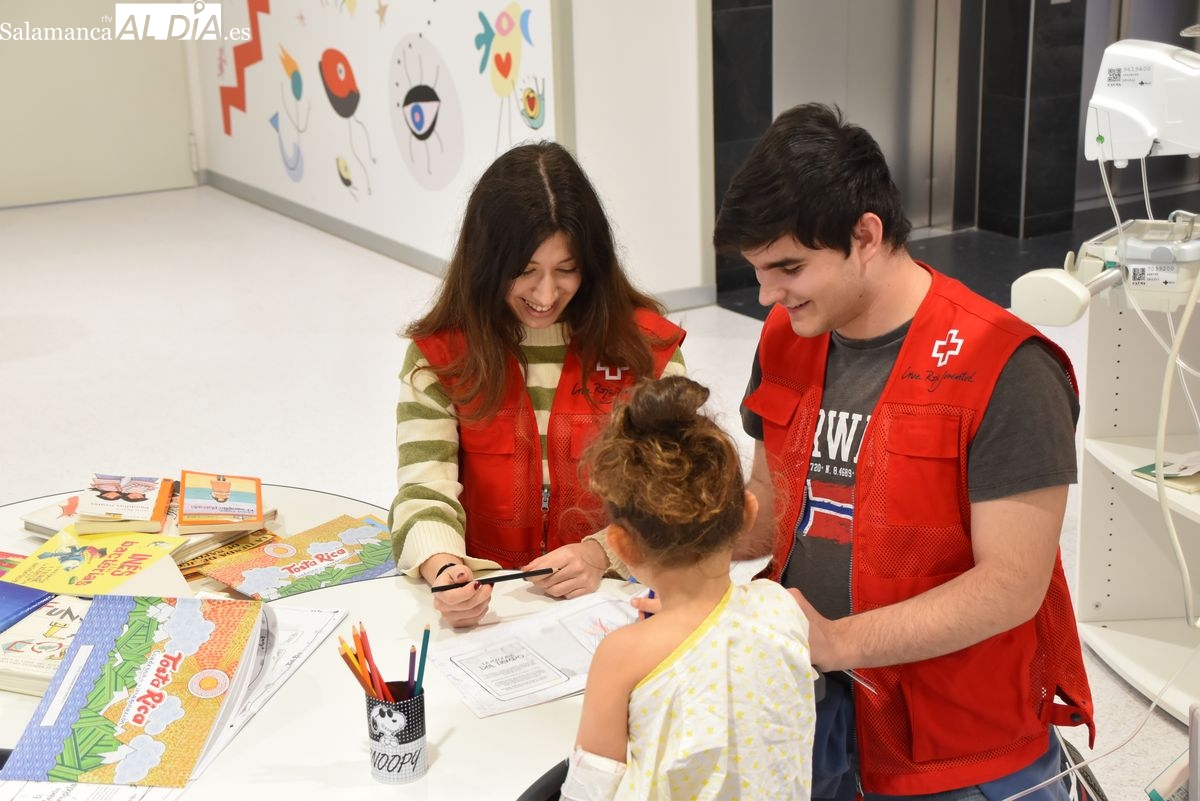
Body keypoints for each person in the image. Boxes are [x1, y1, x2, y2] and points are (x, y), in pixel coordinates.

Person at [712, 103, 1095, 800]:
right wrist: (668, 555)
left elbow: (1011, 584)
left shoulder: (1004, 367)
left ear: (866, 234)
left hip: (962, 748)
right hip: (817, 717)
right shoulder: (786, 336)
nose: (767, 294)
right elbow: (770, 515)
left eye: (789, 266)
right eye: (758, 270)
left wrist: (837, 641)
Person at [390, 140, 686, 628]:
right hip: (492, 612)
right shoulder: (440, 357)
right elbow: (424, 489)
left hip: (616, 607)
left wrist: (603, 552)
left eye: (566, 271)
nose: (546, 295)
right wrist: (442, 567)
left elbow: (678, 491)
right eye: (525, 272)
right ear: (485, 264)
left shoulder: (646, 350)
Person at [560, 376, 816, 801]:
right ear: (748, 513)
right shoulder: (782, 609)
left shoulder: (621, 657)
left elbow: (588, 791)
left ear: (621, 545)